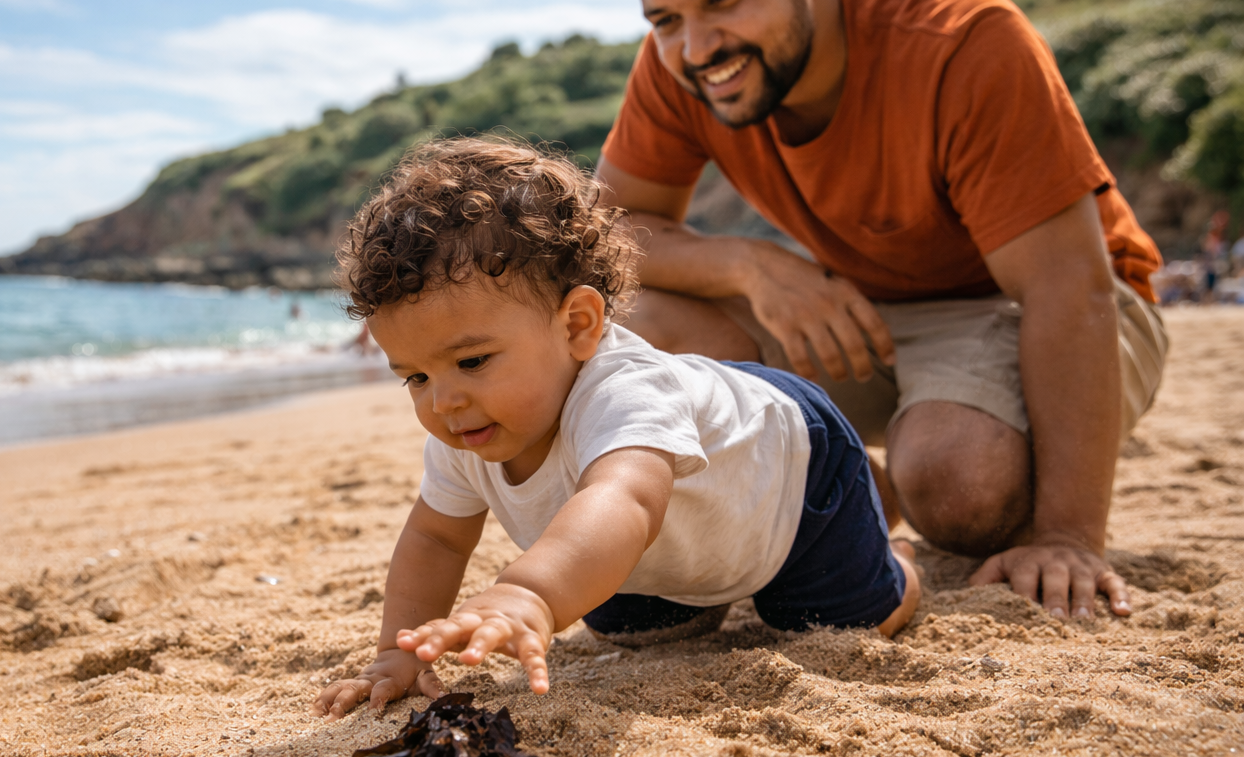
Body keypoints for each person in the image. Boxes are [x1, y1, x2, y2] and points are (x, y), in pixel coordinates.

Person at [595, 0, 1169, 621]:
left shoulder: (962, 38)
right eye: (665, 18)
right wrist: (751, 265)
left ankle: (929, 469)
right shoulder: (685, 63)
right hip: (874, 303)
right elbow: (612, 231)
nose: (698, 45)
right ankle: (842, 487)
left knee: (959, 485)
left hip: (1059, 303)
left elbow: (1067, 288)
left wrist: (1068, 535)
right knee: (635, 320)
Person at [313, 138, 919, 719]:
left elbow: (623, 498)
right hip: (670, 547)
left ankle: (894, 551)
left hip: (792, 476)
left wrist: (527, 591)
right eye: (415, 377)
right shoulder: (467, 421)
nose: (443, 401)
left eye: (471, 361)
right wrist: (397, 650)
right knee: (634, 628)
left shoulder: (625, 390)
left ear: (578, 324)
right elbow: (436, 540)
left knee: (848, 621)